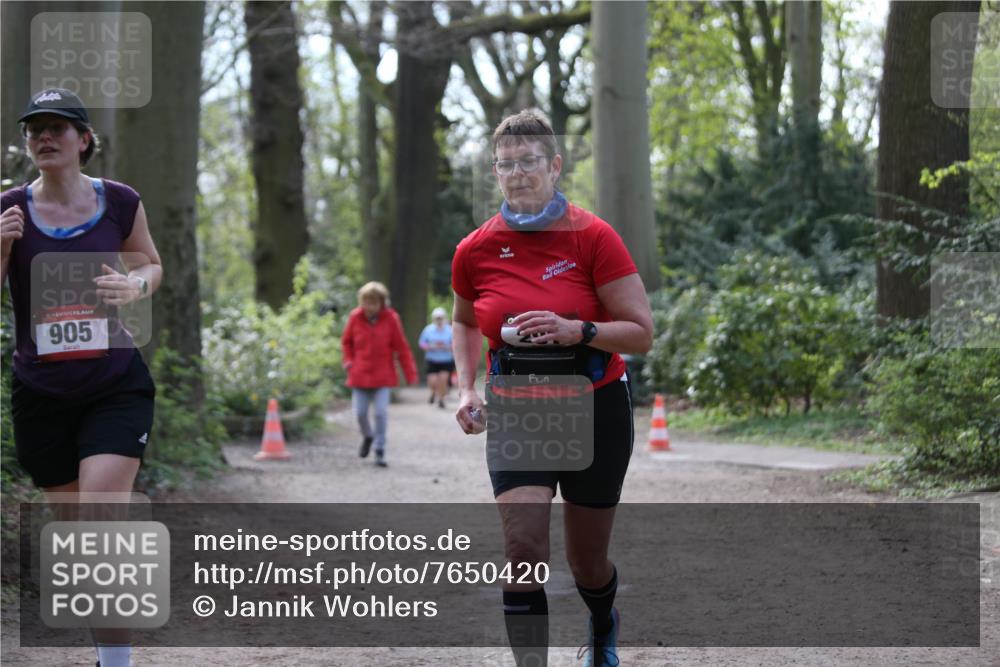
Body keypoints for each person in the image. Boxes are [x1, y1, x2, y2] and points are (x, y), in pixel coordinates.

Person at [451, 109, 653, 667]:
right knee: (523, 551)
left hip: (595, 408)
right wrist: (466, 390)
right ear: (495, 173)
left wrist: (579, 330)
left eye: (529, 162)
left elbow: (641, 333)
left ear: (555, 166)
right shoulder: (475, 248)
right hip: (518, 410)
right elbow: (467, 322)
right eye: (505, 164)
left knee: (587, 562)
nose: (517, 173)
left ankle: (601, 622)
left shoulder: (593, 237)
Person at [0, 88, 163, 667]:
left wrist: (135, 285)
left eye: (58, 128)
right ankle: (109, 649)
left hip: (114, 384)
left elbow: (149, 260)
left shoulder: (118, 201)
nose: (45, 137)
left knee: (100, 523)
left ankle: (115, 665)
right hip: (41, 393)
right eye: (34, 129)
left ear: (84, 140)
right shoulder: (8, 208)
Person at [341, 281, 418, 467]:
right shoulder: (355, 317)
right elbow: (346, 342)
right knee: (359, 413)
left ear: (382, 303)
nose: (369, 306)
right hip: (359, 374)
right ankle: (368, 436)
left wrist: (410, 373)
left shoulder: (391, 319)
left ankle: (380, 449)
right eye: (366, 302)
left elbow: (402, 348)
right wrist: (348, 361)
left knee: (381, 413)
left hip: (383, 375)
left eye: (373, 302)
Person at [419, 306, 455, 408]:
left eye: (441, 318)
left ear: (444, 318)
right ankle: (433, 392)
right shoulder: (428, 330)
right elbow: (421, 343)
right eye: (437, 318)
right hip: (432, 360)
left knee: (443, 380)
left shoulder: (450, 330)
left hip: (446, 360)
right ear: (434, 319)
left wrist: (448, 347)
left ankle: (441, 399)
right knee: (433, 382)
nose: (439, 320)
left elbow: (456, 344)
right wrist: (429, 347)